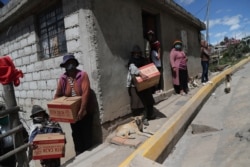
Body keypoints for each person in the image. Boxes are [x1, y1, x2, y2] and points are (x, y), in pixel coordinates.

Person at [54, 53, 93, 156]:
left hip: (84, 110)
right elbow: (57, 95)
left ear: (75, 64)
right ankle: (79, 154)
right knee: (76, 134)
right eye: (67, 64)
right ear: (65, 66)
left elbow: (85, 93)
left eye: (71, 63)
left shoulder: (82, 75)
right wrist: (56, 111)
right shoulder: (63, 79)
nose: (70, 65)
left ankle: (89, 154)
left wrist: (82, 109)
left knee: (86, 132)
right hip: (72, 113)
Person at [127, 45, 156, 126]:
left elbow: (149, 68)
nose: (137, 54)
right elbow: (133, 69)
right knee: (139, 102)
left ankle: (150, 115)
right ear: (133, 54)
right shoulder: (131, 61)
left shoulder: (143, 60)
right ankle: (143, 119)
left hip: (145, 83)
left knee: (148, 99)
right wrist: (141, 74)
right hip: (135, 85)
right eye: (135, 53)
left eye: (138, 53)